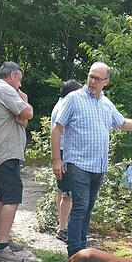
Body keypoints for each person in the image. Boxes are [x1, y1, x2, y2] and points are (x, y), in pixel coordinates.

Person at [51, 62, 132, 258]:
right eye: (90, 76)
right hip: (78, 163)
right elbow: (57, 128)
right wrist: (56, 159)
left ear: (106, 81)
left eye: (97, 78)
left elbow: (121, 123)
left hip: (99, 166)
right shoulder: (74, 98)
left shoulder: (106, 103)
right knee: (80, 206)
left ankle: (82, 248)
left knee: (88, 207)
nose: (92, 81)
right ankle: (75, 253)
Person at [0, 62, 34, 262]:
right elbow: (28, 114)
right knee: (12, 198)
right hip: (6, 152)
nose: (19, 84)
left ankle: (0, 238)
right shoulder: (4, 89)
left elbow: (22, 120)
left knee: (3, 197)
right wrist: (25, 100)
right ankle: (2, 247)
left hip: (2, 152)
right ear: (12, 75)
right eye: (19, 79)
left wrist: (22, 111)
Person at [50, 80, 82, 242]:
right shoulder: (65, 106)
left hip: (61, 152)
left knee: (63, 192)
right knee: (68, 194)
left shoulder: (59, 104)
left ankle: (62, 225)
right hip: (64, 153)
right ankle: (63, 229)